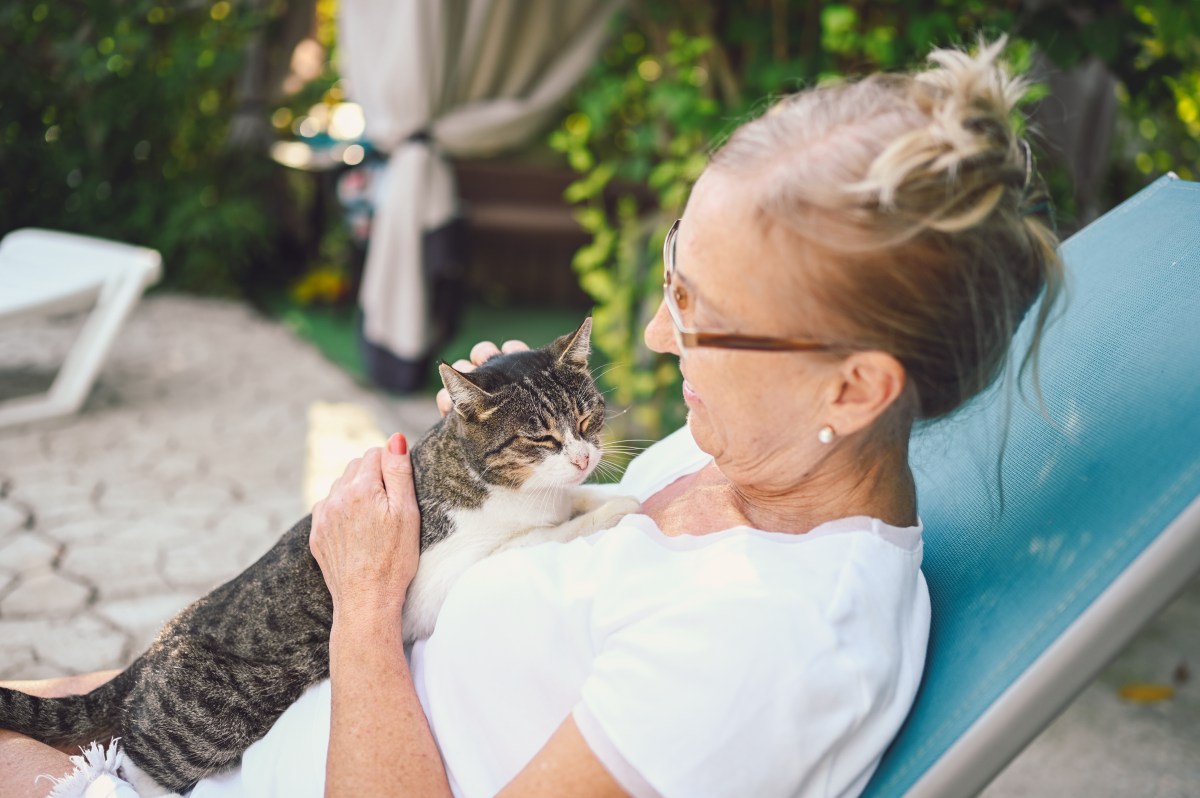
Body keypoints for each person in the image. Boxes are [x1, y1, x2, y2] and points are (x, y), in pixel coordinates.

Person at [0, 38, 1060, 798]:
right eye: (671, 276)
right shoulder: (740, 455)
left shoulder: (764, 645)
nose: (654, 334)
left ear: (854, 388)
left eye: (702, 314)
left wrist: (364, 606)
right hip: (254, 724)